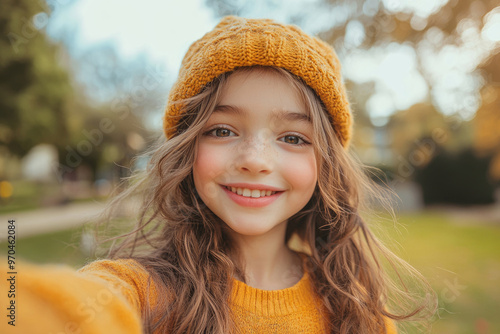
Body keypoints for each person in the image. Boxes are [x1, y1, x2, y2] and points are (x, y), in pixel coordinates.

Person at [1, 16, 436, 333]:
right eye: (223, 130)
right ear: (187, 148)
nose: (255, 159)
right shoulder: (141, 292)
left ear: (326, 165)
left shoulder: (358, 310)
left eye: (293, 137)